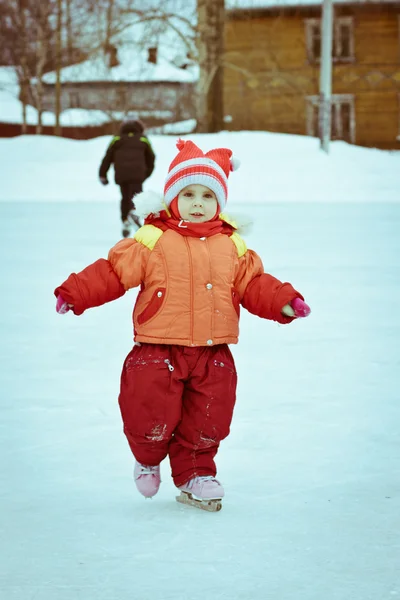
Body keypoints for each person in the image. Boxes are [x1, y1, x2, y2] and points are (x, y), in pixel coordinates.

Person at [55, 139, 311, 509]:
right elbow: (113, 272)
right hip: (157, 347)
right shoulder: (153, 240)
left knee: (210, 415)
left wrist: (284, 302)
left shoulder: (233, 246)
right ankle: (147, 457)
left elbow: (254, 284)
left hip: (213, 351)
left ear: (219, 204)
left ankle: (197, 472)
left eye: (207, 196)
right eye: (188, 193)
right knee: (149, 410)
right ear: (172, 198)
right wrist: (76, 292)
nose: (197, 203)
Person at [99, 119, 156, 237]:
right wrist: (145, 174)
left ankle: (125, 220)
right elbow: (151, 158)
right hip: (137, 173)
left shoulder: (117, 139)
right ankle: (134, 213)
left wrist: (102, 174)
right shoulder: (143, 139)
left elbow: (107, 158)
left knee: (125, 197)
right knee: (137, 196)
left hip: (122, 174)